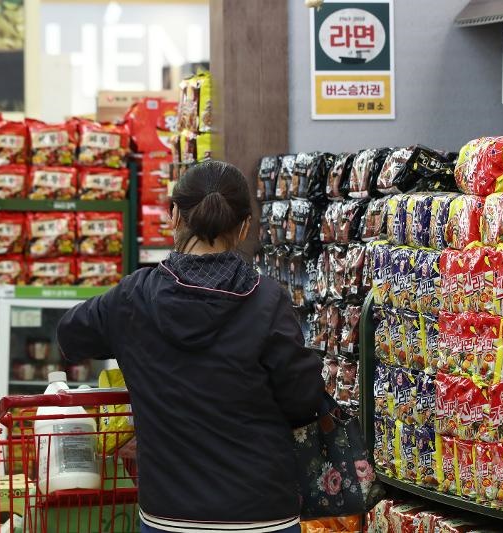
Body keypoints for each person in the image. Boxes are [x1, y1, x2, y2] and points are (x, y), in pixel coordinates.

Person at [57, 161, 324, 533]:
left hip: (170, 516)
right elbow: (304, 399)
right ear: (245, 225)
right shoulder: (267, 300)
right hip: (262, 514)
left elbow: (69, 335)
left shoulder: (133, 297)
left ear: (173, 216)